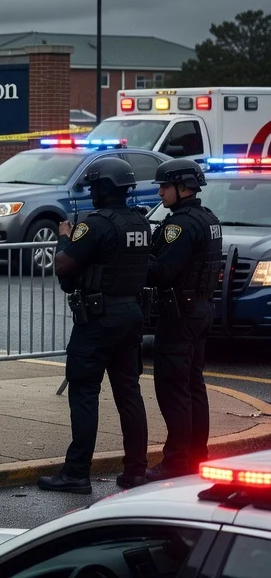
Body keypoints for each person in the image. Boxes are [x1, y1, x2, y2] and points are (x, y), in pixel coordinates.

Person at [40, 157, 152, 495]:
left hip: (98, 319)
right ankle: (135, 471)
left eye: (92, 187)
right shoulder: (140, 223)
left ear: (103, 189)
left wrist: (63, 238)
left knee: (85, 393)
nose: (90, 193)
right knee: (129, 393)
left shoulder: (96, 224)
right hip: (131, 314)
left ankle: (76, 473)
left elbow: (64, 266)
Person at [146, 158, 222, 480]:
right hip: (200, 309)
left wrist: (138, 259)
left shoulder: (180, 225)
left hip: (180, 313)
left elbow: (163, 271)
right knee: (193, 384)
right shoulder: (209, 219)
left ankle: (177, 461)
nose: (161, 191)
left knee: (173, 386)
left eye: (165, 186)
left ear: (182, 187)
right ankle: (196, 455)